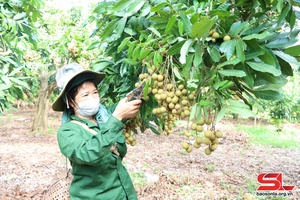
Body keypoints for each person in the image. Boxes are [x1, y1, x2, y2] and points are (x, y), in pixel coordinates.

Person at [52, 63, 142, 200]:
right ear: (70, 102)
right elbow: (88, 154)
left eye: (95, 92)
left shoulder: (105, 116)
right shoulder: (67, 131)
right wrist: (117, 117)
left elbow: (129, 103)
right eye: (85, 95)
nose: (92, 98)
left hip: (124, 194)